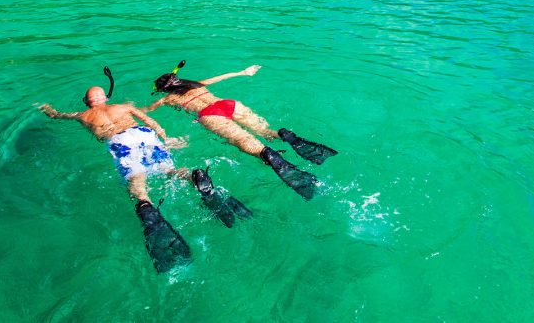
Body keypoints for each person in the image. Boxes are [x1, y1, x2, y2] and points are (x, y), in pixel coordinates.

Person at [40, 86, 252, 271]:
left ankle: (147, 207)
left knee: (136, 181)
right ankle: (192, 177)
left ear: (88, 102)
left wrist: (47, 109)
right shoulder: (123, 107)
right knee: (169, 170)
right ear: (105, 97)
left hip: (119, 142)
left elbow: (57, 115)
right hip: (142, 134)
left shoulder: (82, 115)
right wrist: (165, 137)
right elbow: (149, 119)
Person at [145, 64, 337, 200]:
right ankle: (283, 135)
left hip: (209, 115)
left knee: (243, 140)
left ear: (165, 89)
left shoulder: (168, 99)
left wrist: (148, 105)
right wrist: (244, 72)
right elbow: (222, 76)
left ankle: (267, 154)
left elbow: (147, 111)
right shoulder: (197, 84)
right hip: (227, 104)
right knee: (264, 131)